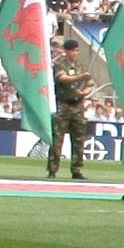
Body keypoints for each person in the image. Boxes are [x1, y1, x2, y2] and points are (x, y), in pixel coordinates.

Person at [45, 34, 93, 178]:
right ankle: (53, 169)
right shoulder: (60, 64)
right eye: (72, 50)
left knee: (79, 140)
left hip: (77, 106)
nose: (75, 53)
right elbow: (62, 78)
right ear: (66, 51)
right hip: (63, 105)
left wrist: (83, 92)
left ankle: (76, 169)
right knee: (57, 139)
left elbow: (90, 84)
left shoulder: (81, 66)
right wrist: (80, 78)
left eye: (77, 50)